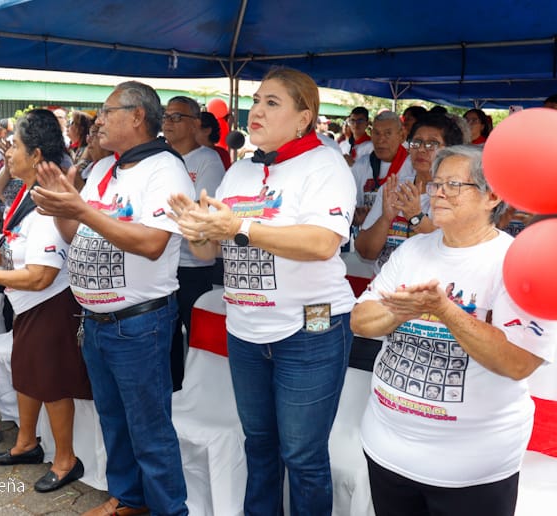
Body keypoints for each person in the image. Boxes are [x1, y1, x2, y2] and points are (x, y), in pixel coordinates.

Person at [168, 67, 357, 515]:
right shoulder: (240, 173)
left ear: (303, 117)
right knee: (259, 445)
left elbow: (322, 242)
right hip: (247, 328)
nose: (256, 110)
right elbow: (210, 247)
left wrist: (240, 226)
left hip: (311, 326)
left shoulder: (325, 164)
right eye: (255, 100)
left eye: (272, 102)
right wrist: (194, 226)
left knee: (303, 456)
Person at [350, 145, 557, 516]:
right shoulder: (412, 250)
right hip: (387, 451)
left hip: (471, 470)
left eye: (453, 184)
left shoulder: (519, 263)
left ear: (491, 196)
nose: (438, 193)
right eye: (435, 184)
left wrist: (444, 310)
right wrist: (405, 311)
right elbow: (361, 322)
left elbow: (518, 363)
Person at [30, 81, 193, 516]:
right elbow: (78, 233)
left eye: (106, 112)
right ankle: (129, 500)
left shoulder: (165, 170)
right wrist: (62, 211)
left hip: (140, 324)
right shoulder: (105, 170)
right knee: (114, 421)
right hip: (97, 320)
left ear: (137, 116)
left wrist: (81, 210)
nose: (97, 121)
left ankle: (168, 510)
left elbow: (153, 243)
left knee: (150, 430)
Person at [0, 109, 92, 492]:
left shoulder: (48, 201)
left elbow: (41, 276)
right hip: (26, 305)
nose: (8, 152)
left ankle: (66, 460)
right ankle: (26, 442)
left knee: (53, 386)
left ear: (38, 155)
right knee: (27, 376)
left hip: (50, 306)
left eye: (16, 146)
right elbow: (17, 249)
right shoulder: (26, 193)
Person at [163, 95, 226, 391]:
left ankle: (199, 392)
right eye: (166, 116)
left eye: (177, 117)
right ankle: (175, 391)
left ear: (195, 124)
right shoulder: (161, 159)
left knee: (196, 330)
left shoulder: (207, 160)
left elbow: (206, 211)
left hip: (192, 263)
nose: (169, 123)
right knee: (167, 336)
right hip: (163, 263)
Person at [355, 113, 465, 273]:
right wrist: (385, 219)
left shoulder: (458, 193)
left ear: (450, 151)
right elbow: (365, 252)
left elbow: (455, 248)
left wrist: (416, 217)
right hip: (385, 290)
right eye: (417, 142)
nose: (421, 149)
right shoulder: (394, 188)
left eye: (432, 144)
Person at [351, 111, 410, 226]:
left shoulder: (413, 167)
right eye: (376, 133)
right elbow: (351, 208)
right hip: (365, 239)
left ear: (402, 136)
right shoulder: (361, 165)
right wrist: (355, 217)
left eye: (388, 133)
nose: (381, 140)